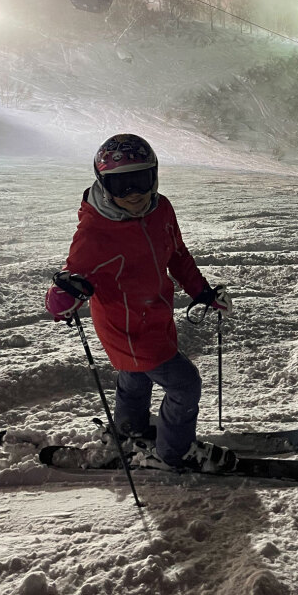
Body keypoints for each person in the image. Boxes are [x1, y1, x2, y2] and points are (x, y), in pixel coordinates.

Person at [45, 134, 234, 473]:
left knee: (135, 377)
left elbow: (176, 254)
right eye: (120, 184)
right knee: (184, 384)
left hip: (155, 315)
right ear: (104, 185)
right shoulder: (94, 234)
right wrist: (63, 297)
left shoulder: (161, 209)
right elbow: (66, 286)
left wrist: (202, 292)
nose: (133, 193)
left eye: (140, 180)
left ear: (154, 176)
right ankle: (173, 454)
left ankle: (130, 429)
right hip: (125, 327)